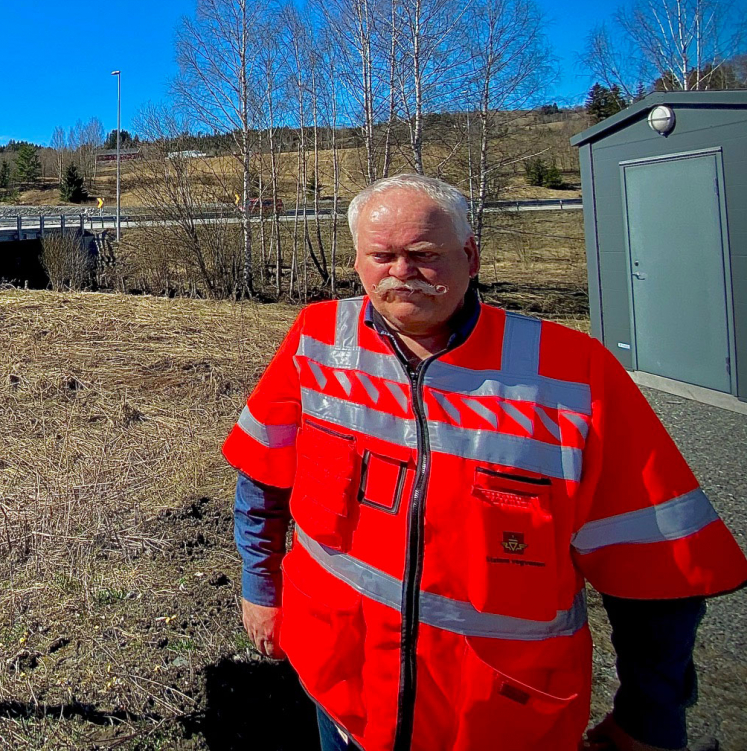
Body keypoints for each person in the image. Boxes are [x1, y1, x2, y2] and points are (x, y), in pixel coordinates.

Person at [222, 174, 747, 751]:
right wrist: (261, 586)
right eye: (383, 256)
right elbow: (263, 482)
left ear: (470, 256)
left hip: (498, 715)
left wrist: (651, 718)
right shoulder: (317, 338)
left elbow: (658, 569)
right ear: (358, 261)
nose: (402, 272)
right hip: (342, 688)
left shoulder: (572, 377)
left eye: (424, 255)